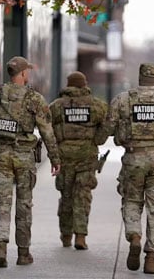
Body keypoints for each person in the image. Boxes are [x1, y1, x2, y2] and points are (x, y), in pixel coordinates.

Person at [0, 56, 61, 268]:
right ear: (22, 74)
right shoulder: (34, 98)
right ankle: (23, 253)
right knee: (24, 205)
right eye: (27, 72)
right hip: (24, 157)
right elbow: (47, 132)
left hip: (1, 156)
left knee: (2, 203)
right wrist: (55, 158)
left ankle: (1, 249)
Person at [102, 63, 154, 275]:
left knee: (131, 200)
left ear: (140, 77)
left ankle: (134, 236)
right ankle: (151, 257)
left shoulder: (123, 99)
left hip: (133, 157)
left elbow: (108, 128)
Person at [49, 71, 109, 250]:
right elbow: (108, 126)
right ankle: (81, 236)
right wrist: (97, 139)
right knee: (83, 196)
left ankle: (66, 235)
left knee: (66, 197)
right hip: (87, 159)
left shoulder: (56, 106)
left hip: (64, 158)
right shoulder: (97, 106)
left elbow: (47, 128)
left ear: (68, 85)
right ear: (85, 85)